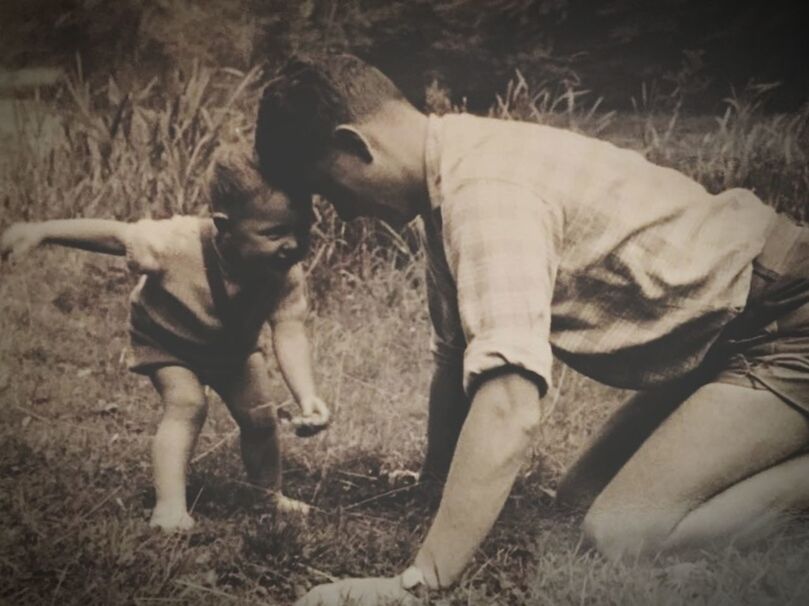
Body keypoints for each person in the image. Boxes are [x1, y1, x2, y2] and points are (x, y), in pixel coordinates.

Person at [254, 53, 809, 604]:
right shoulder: (448, 175)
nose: (344, 213)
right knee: (577, 502)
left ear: (356, 145)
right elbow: (456, 358)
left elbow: (509, 405)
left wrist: (422, 581)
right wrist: (435, 487)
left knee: (624, 535)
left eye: (329, 189)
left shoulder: (486, 193)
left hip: (786, 319)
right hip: (725, 329)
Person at [0, 147, 331, 532]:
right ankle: (170, 507)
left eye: (303, 229)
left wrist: (307, 396)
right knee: (187, 405)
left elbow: (289, 331)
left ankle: (267, 497)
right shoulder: (175, 241)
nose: (293, 244)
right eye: (275, 233)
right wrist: (41, 232)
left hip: (232, 346)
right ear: (225, 226)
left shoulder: (284, 270)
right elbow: (114, 235)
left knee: (261, 417)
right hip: (168, 340)